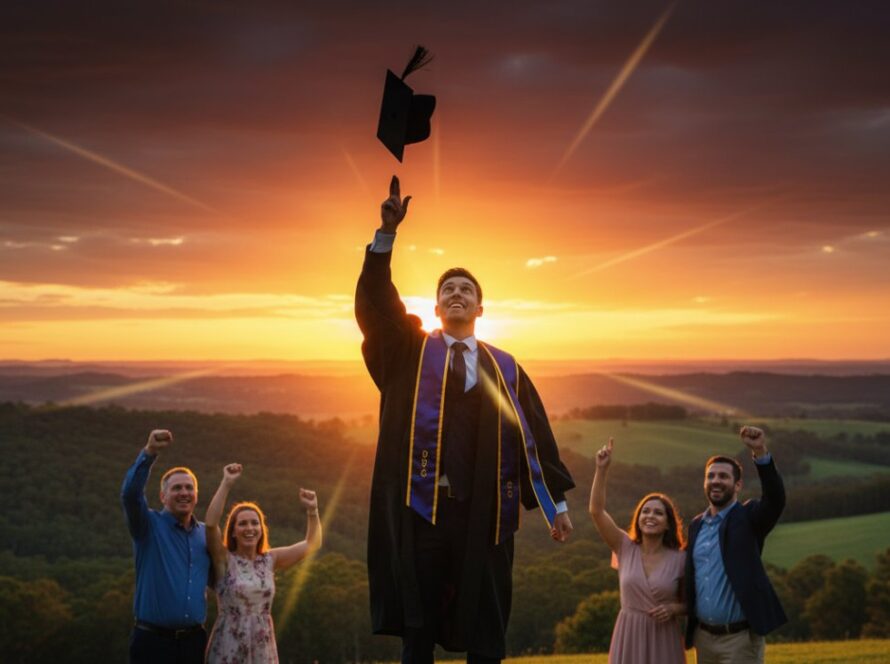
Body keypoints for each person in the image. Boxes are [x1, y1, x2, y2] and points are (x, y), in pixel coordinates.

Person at [355, 176, 575, 664]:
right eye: (448, 289)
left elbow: (533, 438)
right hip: (423, 510)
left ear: (480, 307)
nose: (457, 293)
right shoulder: (409, 352)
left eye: (466, 289)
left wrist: (555, 503)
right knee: (419, 626)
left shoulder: (506, 367)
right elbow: (377, 308)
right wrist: (385, 235)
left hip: (487, 513)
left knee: (486, 621)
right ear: (436, 307)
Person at [685, 426, 787, 663]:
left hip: (740, 639)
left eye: (723, 476)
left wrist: (760, 453)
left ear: (738, 485)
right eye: (710, 476)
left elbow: (775, 500)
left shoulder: (749, 517)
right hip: (704, 638)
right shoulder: (696, 525)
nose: (716, 481)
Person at [204, 463, 322, 664]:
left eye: (254, 522)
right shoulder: (223, 559)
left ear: (261, 528)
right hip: (228, 646)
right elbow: (211, 524)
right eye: (242, 523)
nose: (249, 528)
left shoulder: (270, 559)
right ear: (233, 531)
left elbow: (312, 543)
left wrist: (313, 510)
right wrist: (226, 483)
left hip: (263, 646)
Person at [588, 437, 686, 663]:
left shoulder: (681, 558)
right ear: (638, 518)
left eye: (658, 513)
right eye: (646, 511)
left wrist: (674, 609)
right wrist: (601, 470)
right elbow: (596, 511)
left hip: (664, 637)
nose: (650, 516)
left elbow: (695, 603)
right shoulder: (624, 546)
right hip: (628, 634)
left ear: (669, 523)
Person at [121, 429, 211, 664]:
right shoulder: (148, 527)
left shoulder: (206, 534)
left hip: (194, 643)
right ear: (162, 496)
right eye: (177, 488)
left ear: (196, 495)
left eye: (189, 488)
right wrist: (149, 452)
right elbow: (130, 495)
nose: (184, 493)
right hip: (153, 643)